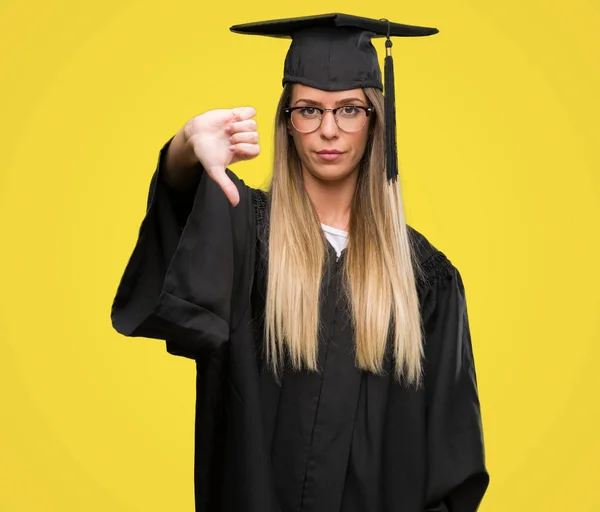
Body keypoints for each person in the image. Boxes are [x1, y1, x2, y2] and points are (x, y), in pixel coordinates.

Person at [111, 13, 490, 512]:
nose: (328, 130)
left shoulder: (424, 279)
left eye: (349, 110)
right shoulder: (246, 234)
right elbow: (177, 247)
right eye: (309, 110)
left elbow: (452, 463)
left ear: (376, 120)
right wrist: (185, 148)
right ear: (287, 122)